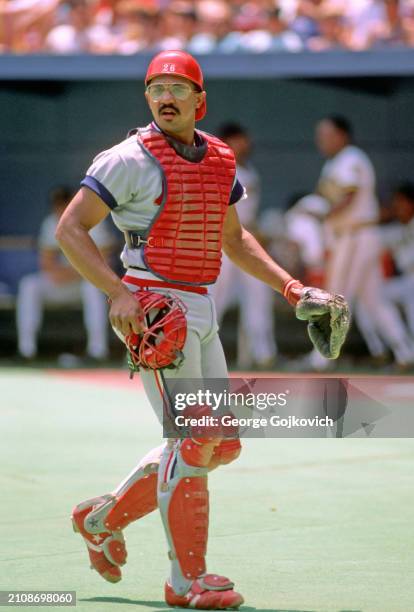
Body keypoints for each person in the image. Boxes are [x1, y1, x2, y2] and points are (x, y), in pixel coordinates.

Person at [56, 50, 347, 609]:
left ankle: (98, 520)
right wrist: (119, 292)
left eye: (177, 88)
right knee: (193, 438)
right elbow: (72, 230)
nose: (165, 96)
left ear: (200, 100)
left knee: (221, 443)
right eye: (155, 88)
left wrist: (292, 288)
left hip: (201, 306)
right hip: (154, 308)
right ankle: (186, 581)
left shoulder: (219, 158)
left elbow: (234, 241)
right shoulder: (126, 159)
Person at [311, 115, 414, 370]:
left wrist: (323, 213)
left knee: (335, 296)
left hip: (357, 235)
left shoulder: (351, 157)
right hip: (353, 235)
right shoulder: (334, 163)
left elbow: (348, 195)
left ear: (342, 135)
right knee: (374, 300)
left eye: (327, 135)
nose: (321, 141)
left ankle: (322, 357)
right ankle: (405, 353)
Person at [16, 186, 113, 361]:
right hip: (63, 282)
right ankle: (26, 350)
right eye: (57, 204)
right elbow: (46, 263)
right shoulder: (50, 223)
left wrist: (78, 272)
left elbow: (104, 261)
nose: (60, 208)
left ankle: (97, 351)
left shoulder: (93, 220)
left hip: (87, 282)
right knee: (29, 284)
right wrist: (75, 271)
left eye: (64, 203)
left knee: (93, 288)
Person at [212, 123, 277, 370]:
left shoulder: (250, 170)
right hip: (224, 241)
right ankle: (201, 351)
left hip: (246, 240)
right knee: (215, 299)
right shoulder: (219, 168)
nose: (244, 145)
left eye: (244, 140)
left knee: (259, 295)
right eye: (238, 140)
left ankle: (263, 354)